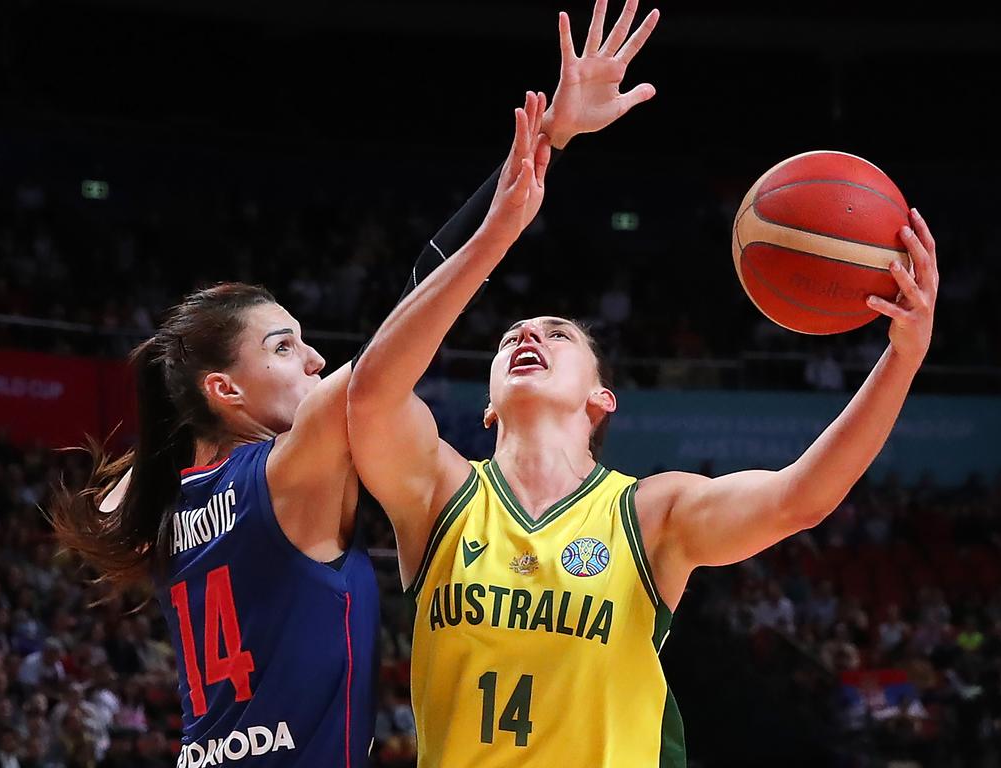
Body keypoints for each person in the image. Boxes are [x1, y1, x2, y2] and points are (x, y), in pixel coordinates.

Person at [49, 1, 661, 764]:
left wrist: (550, 139)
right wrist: (541, 155)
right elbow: (402, 321)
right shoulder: (287, 469)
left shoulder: (165, 494)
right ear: (224, 390)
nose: (312, 361)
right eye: (284, 347)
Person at [347, 56, 938, 768]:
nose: (528, 335)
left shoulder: (651, 514)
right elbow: (373, 391)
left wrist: (901, 357)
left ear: (602, 400)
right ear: (488, 406)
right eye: (511, 337)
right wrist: (497, 233)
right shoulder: (439, 494)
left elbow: (801, 499)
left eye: (557, 334)